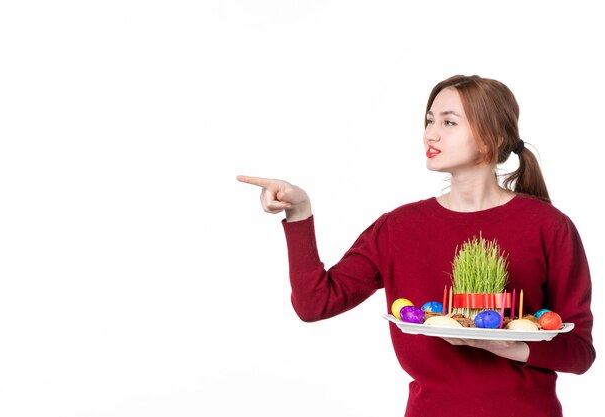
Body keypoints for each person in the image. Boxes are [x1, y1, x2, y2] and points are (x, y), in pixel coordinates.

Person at [237, 75, 595, 417]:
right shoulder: (399, 227)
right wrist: (300, 212)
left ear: (489, 139)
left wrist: (510, 346)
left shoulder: (549, 225)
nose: (430, 133)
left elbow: (580, 352)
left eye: (448, 122)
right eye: (429, 120)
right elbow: (315, 304)